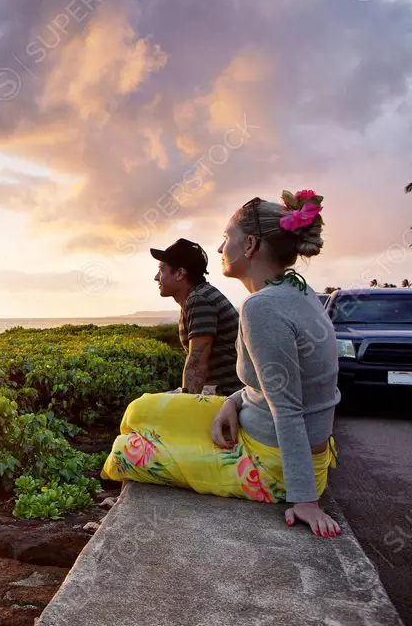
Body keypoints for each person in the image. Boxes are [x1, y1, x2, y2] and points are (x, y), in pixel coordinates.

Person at [103, 190, 342, 537]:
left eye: (226, 238)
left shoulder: (262, 308)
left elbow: (290, 407)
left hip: (269, 463)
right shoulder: (297, 289)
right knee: (139, 410)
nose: (219, 249)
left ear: (249, 246)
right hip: (257, 426)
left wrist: (304, 500)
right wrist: (234, 401)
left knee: (126, 451)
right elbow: (274, 382)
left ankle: (115, 498)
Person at [151, 238, 242, 395]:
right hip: (219, 389)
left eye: (162, 270)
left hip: (228, 393)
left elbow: (197, 363)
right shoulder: (197, 296)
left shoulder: (199, 299)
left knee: (144, 410)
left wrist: (187, 407)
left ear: (180, 273)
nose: (156, 277)